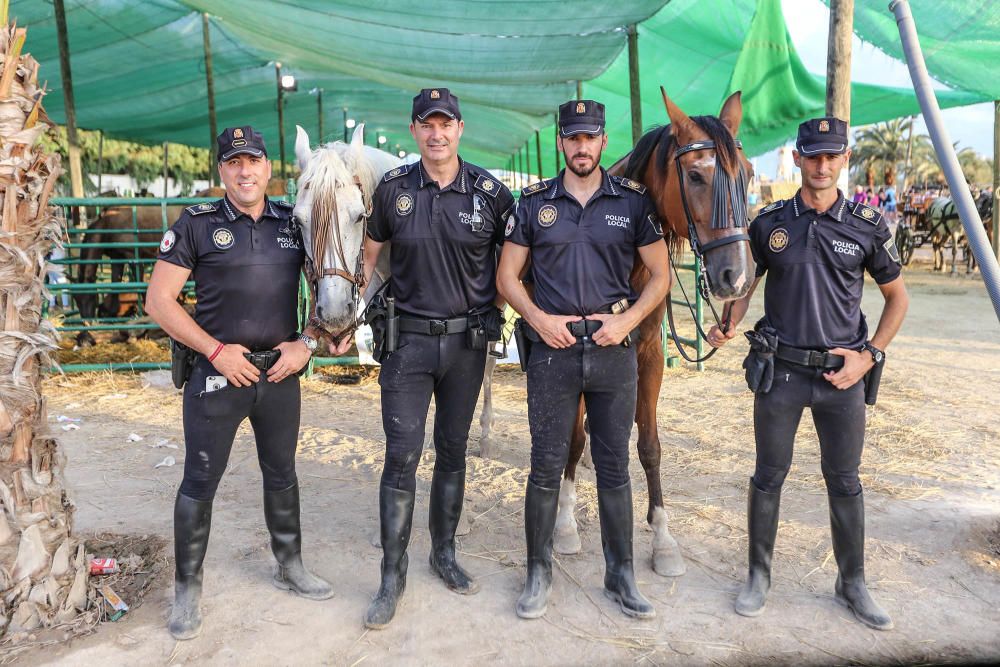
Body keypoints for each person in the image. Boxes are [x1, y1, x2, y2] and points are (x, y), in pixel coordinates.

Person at [707, 117, 909, 631]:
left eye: (832, 157)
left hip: (842, 378)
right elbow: (748, 281)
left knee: (844, 480)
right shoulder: (770, 223)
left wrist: (871, 355)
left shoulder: (867, 226)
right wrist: (729, 321)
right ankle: (758, 576)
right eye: (812, 156)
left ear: (845, 160)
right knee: (768, 475)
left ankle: (852, 582)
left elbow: (897, 297)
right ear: (797, 158)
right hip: (782, 374)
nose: (822, 166)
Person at [146, 126, 331, 640]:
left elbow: (330, 287)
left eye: (253, 161)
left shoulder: (294, 223)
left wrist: (306, 343)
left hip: (279, 371)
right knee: (200, 480)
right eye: (233, 162)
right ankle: (187, 588)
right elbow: (159, 302)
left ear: (270, 168)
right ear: (221, 171)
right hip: (217, 373)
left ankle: (290, 565)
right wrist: (216, 351)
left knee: (282, 473)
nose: (244, 170)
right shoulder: (196, 225)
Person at [497, 99, 671, 620]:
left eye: (589, 137)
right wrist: (537, 319)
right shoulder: (531, 205)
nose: (580, 146)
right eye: (571, 137)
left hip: (613, 350)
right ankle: (537, 574)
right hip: (553, 351)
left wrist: (628, 322)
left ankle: (621, 577)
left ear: (602, 142)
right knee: (545, 466)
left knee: (614, 469)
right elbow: (507, 277)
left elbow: (659, 275)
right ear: (560, 142)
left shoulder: (634, 204)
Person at [350, 88, 515, 629]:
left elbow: (515, 260)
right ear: (414, 130)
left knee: (452, 451)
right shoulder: (393, 189)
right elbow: (368, 256)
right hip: (409, 345)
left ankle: (443, 554)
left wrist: (494, 308)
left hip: (467, 346)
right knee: (401, 455)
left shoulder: (490, 192)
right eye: (427, 124)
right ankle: (391, 574)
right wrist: (356, 306)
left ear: (460, 129)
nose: (436, 133)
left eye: (446, 124)